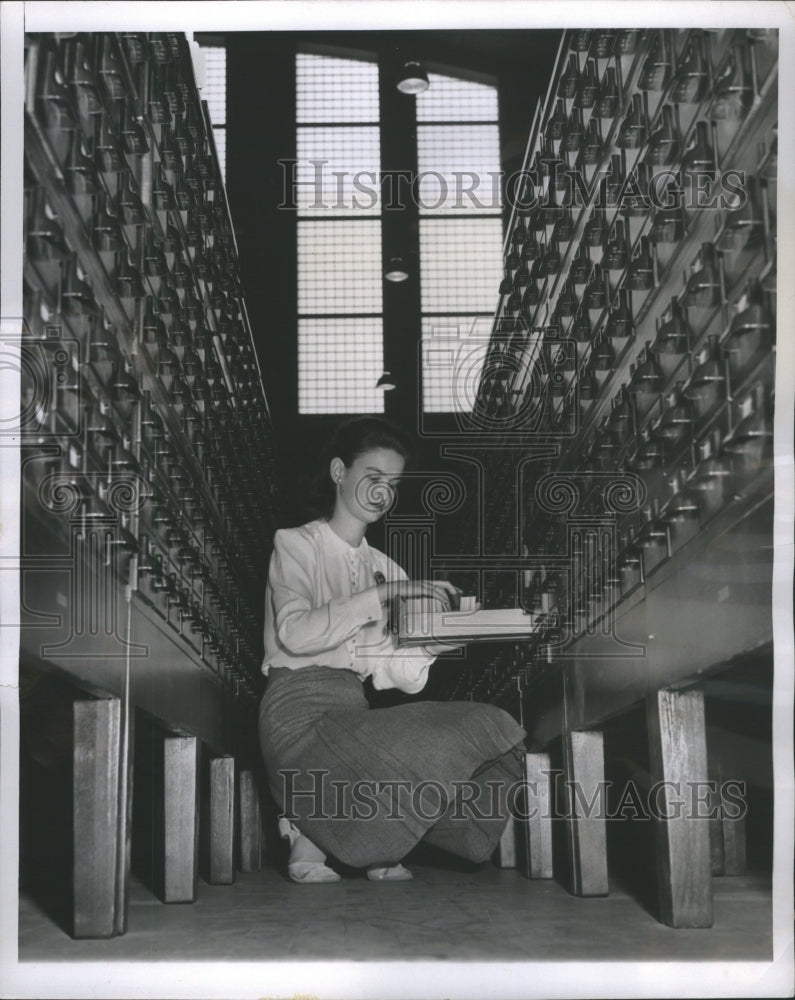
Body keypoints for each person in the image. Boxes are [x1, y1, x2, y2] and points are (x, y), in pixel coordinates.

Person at [258, 417, 526, 883]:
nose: (383, 492)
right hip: (294, 714)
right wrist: (381, 597)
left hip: (353, 710)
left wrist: (438, 640)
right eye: (373, 477)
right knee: (406, 747)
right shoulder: (296, 543)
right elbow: (296, 634)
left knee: (487, 726)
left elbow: (393, 675)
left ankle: (352, 831)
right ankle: (321, 828)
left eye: (393, 483)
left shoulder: (389, 569)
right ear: (339, 471)